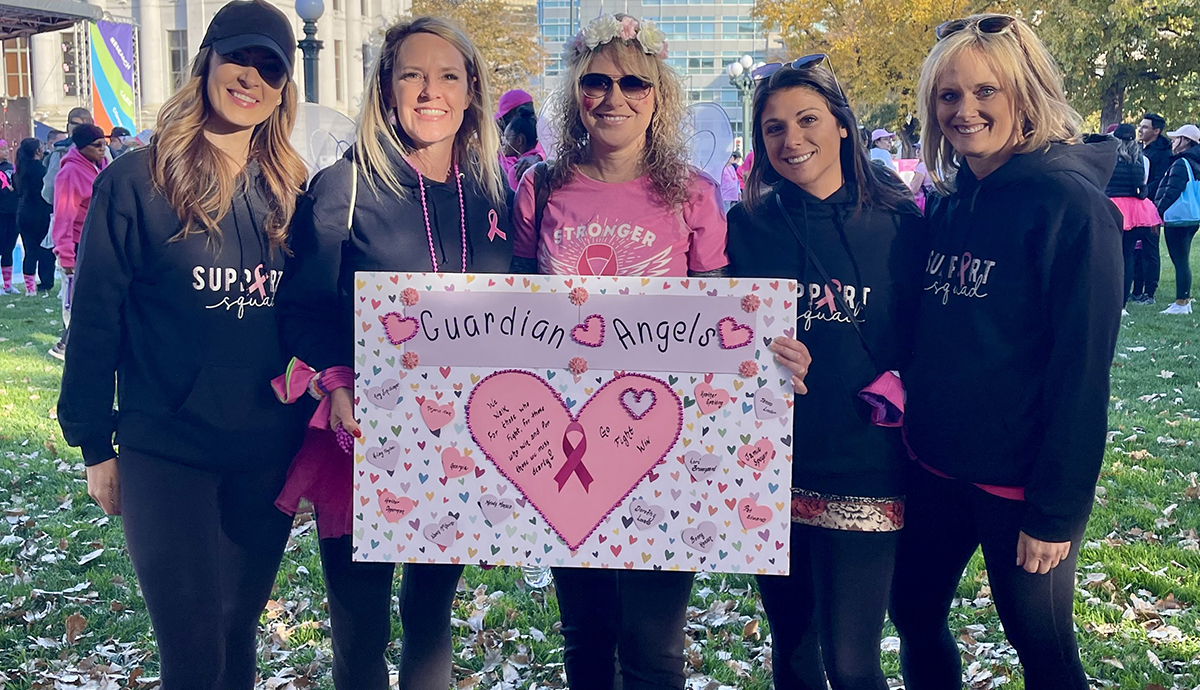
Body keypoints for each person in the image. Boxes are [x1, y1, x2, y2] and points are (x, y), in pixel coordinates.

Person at [56, 2, 310, 687]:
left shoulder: (294, 190)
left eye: (270, 68)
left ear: (285, 87)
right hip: (164, 449)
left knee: (237, 629)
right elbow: (97, 318)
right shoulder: (136, 181)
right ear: (206, 63)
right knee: (192, 646)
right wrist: (93, 444)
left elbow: (309, 322)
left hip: (265, 452)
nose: (250, 78)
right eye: (238, 58)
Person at [274, 16, 511, 690]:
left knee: (431, 615)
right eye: (412, 74)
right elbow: (304, 307)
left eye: (446, 76)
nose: (429, 91)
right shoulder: (343, 188)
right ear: (386, 88)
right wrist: (334, 378)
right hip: (362, 438)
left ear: (471, 90)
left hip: (463, 441)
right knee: (362, 627)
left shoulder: (496, 190)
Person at [891, 14, 1122, 689]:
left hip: (1019, 485)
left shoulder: (1071, 208)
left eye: (986, 91)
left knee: (1041, 647)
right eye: (949, 95)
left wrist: (1055, 511)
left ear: (1026, 94)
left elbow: (1082, 374)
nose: (965, 111)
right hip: (933, 466)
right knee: (912, 612)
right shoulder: (954, 197)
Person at [510, 14, 727, 690]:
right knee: (587, 634)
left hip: (660, 442)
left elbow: (719, 326)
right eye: (596, 82)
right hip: (564, 447)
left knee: (654, 647)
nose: (614, 97)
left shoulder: (693, 194)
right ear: (575, 93)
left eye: (634, 81)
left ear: (657, 94)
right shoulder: (539, 188)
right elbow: (510, 317)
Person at [726, 56, 922, 690]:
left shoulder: (900, 220)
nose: (792, 140)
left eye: (808, 120)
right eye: (774, 128)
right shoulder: (746, 226)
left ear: (842, 125)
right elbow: (723, 340)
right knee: (793, 648)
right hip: (772, 468)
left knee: (852, 659)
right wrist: (764, 356)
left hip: (869, 463)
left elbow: (929, 342)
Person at [47, 124, 109, 360]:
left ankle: (75, 344)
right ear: (82, 147)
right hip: (74, 244)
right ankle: (65, 345)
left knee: (95, 296)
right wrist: (65, 254)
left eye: (104, 144)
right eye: (97, 145)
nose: (103, 150)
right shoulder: (70, 173)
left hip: (94, 242)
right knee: (76, 297)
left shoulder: (98, 166)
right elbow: (63, 215)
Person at [1105, 123, 1162, 309]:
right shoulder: (1139, 158)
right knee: (1128, 254)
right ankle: (1122, 303)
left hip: (1111, 204)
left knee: (1109, 254)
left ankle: (1108, 296)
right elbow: (1141, 186)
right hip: (1135, 208)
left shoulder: (1109, 157)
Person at [1154, 123, 1200, 315]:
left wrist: (1158, 212)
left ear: (1185, 141)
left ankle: (1182, 302)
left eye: (1176, 139)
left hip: (1178, 219)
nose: (1172, 142)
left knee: (1180, 260)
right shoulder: (1195, 161)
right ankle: (1184, 299)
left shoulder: (1182, 163)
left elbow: (1172, 190)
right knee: (1183, 259)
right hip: (1192, 218)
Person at [1131, 112, 1171, 304]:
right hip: (1137, 205)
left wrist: (1144, 192)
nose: (1140, 129)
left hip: (1151, 205)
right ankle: (1136, 289)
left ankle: (1150, 292)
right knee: (1135, 249)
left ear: (1156, 130)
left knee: (1150, 250)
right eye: (1140, 125)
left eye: (1145, 126)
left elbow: (1160, 180)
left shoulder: (1163, 152)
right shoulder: (1138, 148)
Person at [13, 138, 54, 295]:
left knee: (29, 251)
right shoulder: (42, 170)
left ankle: (30, 288)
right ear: (38, 151)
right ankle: (45, 283)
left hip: (23, 212)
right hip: (41, 212)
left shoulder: (20, 171)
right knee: (45, 249)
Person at [42, 107, 94, 206]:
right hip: (94, 209)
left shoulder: (61, 151)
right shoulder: (102, 149)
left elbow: (49, 189)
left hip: (71, 209)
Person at [499, 96, 546, 191]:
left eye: (507, 138)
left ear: (519, 140)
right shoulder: (547, 158)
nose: (503, 143)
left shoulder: (517, 170)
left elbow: (517, 204)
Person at [0, 139, 18, 294]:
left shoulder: (11, 168)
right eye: (3, 149)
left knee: (8, 248)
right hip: (1, 212)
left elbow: (15, 186)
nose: (6, 151)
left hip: (12, 212)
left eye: (6, 148)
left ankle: (7, 284)